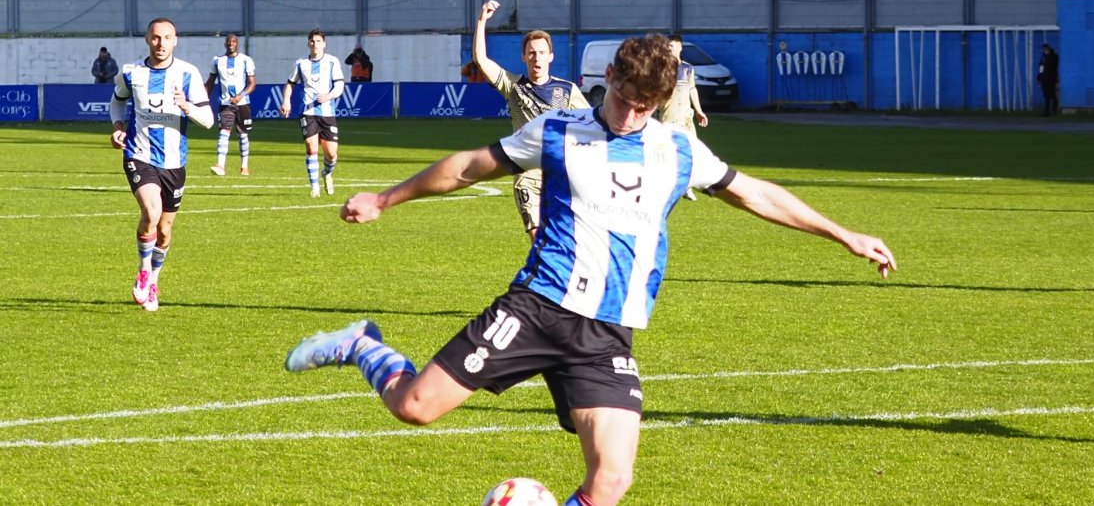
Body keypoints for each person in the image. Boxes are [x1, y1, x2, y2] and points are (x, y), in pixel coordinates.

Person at [283, 35, 897, 506]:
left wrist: (844, 234)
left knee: (611, 481)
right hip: (537, 309)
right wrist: (385, 199)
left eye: (645, 107)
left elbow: (754, 193)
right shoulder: (558, 131)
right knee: (414, 407)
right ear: (607, 80)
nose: (630, 115)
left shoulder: (677, 150)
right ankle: (362, 345)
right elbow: (469, 166)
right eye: (624, 100)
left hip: (606, 334)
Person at [109, 17, 214, 312]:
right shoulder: (131, 73)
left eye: (167, 37)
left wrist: (186, 105)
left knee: (165, 231)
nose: (161, 43)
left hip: (174, 161)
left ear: (175, 41)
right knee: (151, 212)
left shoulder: (188, 74)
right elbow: (117, 102)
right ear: (147, 39)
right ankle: (143, 270)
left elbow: (208, 120)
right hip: (138, 154)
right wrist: (118, 126)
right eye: (155, 37)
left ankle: (154, 280)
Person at [472, 0, 588, 241]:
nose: (537, 58)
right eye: (532, 53)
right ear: (524, 57)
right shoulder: (513, 86)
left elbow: (591, 123)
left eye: (542, 53)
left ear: (551, 57)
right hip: (527, 176)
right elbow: (481, 60)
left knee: (566, 240)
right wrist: (482, 21)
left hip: (560, 176)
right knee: (538, 238)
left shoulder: (567, 90)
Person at [281, 29, 345, 198]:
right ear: (308, 43)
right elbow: (290, 83)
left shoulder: (332, 61)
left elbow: (340, 85)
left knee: (331, 153)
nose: (315, 44)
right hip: (307, 111)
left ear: (324, 44)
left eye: (318, 41)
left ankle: (327, 173)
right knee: (311, 145)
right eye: (312, 41)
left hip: (327, 112)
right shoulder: (301, 63)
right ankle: (314, 187)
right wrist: (286, 100)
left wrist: (329, 96)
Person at [657, 34, 709, 200]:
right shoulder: (662, 69)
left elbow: (692, 89)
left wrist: (699, 111)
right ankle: (666, 186)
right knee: (668, 154)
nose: (669, 49)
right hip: (668, 118)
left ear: (680, 47)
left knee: (691, 152)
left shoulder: (688, 69)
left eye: (672, 46)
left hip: (686, 118)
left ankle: (687, 187)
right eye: (667, 47)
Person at [204, 33, 256, 176]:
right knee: (224, 132)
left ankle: (244, 166)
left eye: (234, 41)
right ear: (225, 44)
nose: (231, 44)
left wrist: (241, 96)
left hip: (243, 103)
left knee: (243, 135)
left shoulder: (246, 60)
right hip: (225, 103)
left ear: (237, 44)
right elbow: (210, 82)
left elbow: (252, 83)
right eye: (229, 41)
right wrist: (203, 100)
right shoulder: (217, 61)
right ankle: (220, 165)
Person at [1036, 44, 1059, 116]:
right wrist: (1039, 77)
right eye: (1043, 49)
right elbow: (1041, 68)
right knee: (1046, 95)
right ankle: (1047, 111)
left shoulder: (1054, 56)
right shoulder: (1043, 57)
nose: (1044, 50)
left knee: (1052, 94)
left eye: (1045, 49)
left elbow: (1052, 66)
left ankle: (1054, 110)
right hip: (1044, 78)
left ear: (1048, 48)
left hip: (1051, 78)